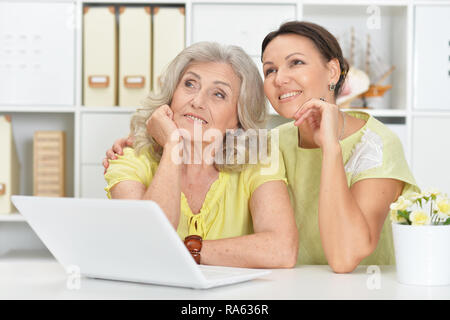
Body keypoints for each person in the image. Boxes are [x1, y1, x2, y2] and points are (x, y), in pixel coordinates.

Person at [104, 21, 419, 273]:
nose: (281, 78)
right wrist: (161, 142)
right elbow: (144, 241)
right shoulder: (268, 144)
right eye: (270, 70)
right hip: (287, 286)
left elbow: (331, 256)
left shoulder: (375, 144)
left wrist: (331, 148)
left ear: (332, 72)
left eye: (296, 62)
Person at [103, 41, 298, 269]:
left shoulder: (259, 159)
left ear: (238, 117)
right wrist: (172, 147)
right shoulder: (129, 158)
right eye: (190, 84)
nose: (196, 101)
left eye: (218, 94)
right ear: (171, 95)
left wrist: (185, 251)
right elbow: (146, 241)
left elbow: (281, 251)